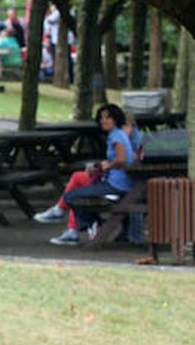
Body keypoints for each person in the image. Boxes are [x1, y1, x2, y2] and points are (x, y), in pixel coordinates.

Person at [46, 103, 135, 245]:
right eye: (101, 117)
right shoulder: (117, 135)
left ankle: (92, 223)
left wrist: (107, 166)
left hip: (116, 186)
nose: (103, 120)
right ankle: (89, 224)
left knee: (70, 196)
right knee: (76, 191)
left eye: (108, 117)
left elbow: (122, 160)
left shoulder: (116, 136)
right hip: (115, 183)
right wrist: (100, 166)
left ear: (116, 119)